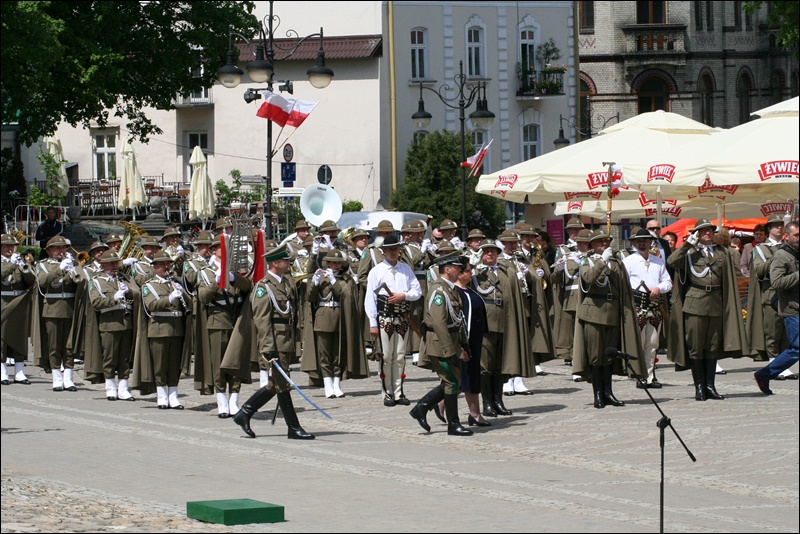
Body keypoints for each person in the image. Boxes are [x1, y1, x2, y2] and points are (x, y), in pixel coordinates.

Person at [232, 244, 315, 440]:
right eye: (286, 261)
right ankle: (293, 427)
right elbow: (262, 320)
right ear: (275, 263)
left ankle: (245, 413)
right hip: (274, 342)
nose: (289, 264)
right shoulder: (263, 287)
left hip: (285, 339)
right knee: (282, 384)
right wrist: (268, 348)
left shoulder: (285, 282)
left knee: (275, 384)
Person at [667, 219, 748, 401]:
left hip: (716, 303)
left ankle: (710, 386)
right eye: (703, 231)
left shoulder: (721, 252)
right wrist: (688, 244)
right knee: (696, 347)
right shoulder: (690, 252)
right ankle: (699, 388)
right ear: (696, 233)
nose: (707, 233)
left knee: (712, 347)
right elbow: (672, 262)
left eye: (710, 230)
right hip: (695, 303)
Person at [574, 230, 644, 409]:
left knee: (609, 357)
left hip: (612, 312)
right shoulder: (586, 261)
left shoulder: (616, 262)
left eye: (606, 242)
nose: (604, 245)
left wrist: (611, 263)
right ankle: (598, 394)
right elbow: (588, 278)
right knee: (596, 357)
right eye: (600, 242)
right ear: (591, 245)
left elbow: (622, 285)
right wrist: (602, 261)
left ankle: (608, 392)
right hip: (594, 313)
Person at [409, 252, 472, 436]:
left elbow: (457, 320)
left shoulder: (450, 289)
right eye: (457, 267)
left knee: (452, 380)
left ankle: (421, 407)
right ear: (447, 269)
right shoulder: (439, 291)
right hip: (439, 344)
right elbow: (439, 323)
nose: (460, 270)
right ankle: (453, 423)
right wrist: (448, 350)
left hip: (451, 341)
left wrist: (464, 343)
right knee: (452, 381)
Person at [195, 235, 252, 417]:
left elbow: (249, 287)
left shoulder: (237, 270)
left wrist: (233, 278)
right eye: (222, 247)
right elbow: (203, 298)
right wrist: (216, 282)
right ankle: (221, 401)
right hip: (217, 321)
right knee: (219, 363)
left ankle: (234, 399)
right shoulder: (205, 272)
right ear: (214, 251)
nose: (226, 250)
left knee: (235, 362)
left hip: (236, 320)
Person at [472, 238, 529, 417]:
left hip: (504, 320)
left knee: (499, 365)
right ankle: (487, 403)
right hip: (485, 323)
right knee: (485, 365)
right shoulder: (475, 273)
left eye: (493, 251)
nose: (490, 254)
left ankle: (498, 401)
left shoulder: (506, 272)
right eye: (486, 251)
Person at [301, 248, 368, 398]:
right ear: (327, 263)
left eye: (339, 263)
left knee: (338, 353)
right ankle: (327, 384)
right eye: (333, 263)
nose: (337, 266)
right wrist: (315, 283)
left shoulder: (346, 279)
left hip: (340, 318)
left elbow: (346, 297)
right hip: (323, 318)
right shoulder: (321, 277)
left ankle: (337, 384)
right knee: (324, 354)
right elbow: (310, 298)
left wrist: (333, 281)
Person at [364, 234, 422, 407]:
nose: (393, 252)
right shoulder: (376, 271)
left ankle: (398, 391)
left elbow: (417, 291)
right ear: (383, 251)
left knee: (400, 356)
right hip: (384, 318)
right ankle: (386, 392)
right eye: (389, 249)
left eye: (396, 249)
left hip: (402, 318)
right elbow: (370, 299)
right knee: (386, 355)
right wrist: (372, 323)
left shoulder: (406, 269)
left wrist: (403, 295)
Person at [139, 251, 191, 409]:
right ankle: (162, 396)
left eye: (168, 264)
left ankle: (173, 395)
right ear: (155, 267)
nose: (166, 267)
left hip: (176, 328)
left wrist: (182, 292)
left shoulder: (174, 282)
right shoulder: (148, 286)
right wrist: (169, 298)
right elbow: (151, 306)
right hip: (159, 329)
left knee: (174, 365)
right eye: (162, 264)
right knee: (161, 364)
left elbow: (189, 305)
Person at [33, 236, 84, 391]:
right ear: (49, 250)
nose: (61, 251)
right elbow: (42, 281)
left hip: (69, 308)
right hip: (52, 309)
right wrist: (60, 268)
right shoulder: (42, 265)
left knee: (69, 346)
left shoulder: (72, 263)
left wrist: (74, 268)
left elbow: (81, 281)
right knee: (54, 345)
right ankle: (56, 378)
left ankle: (68, 378)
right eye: (57, 248)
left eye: (63, 248)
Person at [622, 228, 672, 388]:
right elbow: (623, 283)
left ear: (651, 242)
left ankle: (650, 376)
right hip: (637, 305)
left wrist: (658, 289)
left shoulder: (657, 261)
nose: (642, 243)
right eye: (639, 241)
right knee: (639, 342)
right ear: (634, 243)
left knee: (652, 343)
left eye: (645, 240)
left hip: (654, 306)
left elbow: (668, 282)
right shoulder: (628, 262)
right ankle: (640, 376)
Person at [747, 216, 795, 379]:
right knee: (772, 331)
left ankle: (783, 365)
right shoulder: (761, 248)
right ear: (769, 229)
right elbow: (759, 269)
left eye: (781, 226)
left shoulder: (789, 247)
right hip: (770, 292)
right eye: (774, 226)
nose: (778, 228)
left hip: (788, 292)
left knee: (785, 331)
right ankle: (774, 363)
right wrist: (776, 258)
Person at [754, 221, 799, 395]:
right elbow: (777, 282)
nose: (798, 238)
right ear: (786, 236)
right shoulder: (781, 256)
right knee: (796, 348)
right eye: (796, 235)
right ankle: (764, 374)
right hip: (792, 308)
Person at [87, 250, 137, 401]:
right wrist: (113, 298)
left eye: (116, 263)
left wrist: (129, 292)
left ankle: (123, 388)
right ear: (103, 265)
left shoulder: (125, 278)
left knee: (124, 358)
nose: (115, 266)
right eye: (111, 264)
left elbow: (138, 293)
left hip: (126, 322)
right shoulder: (96, 281)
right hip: (109, 323)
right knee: (110, 357)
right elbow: (95, 302)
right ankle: (110, 387)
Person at [453, 260, 490, 426]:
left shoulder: (468, 290)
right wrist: (463, 344)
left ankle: (434, 405)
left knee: (469, 376)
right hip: (466, 341)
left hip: (475, 339)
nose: (471, 273)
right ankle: (474, 414)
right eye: (468, 270)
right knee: (466, 377)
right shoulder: (457, 292)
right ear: (460, 273)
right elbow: (460, 319)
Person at [552, 228, 592, 381]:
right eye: (581, 243)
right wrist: (559, 268)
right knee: (574, 336)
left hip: (588, 298)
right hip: (571, 299)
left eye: (587, 244)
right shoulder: (568, 255)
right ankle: (577, 367)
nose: (584, 246)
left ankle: (589, 366)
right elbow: (555, 279)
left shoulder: (594, 257)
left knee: (589, 335)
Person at [1, 233, 36, 385]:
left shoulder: (18, 262)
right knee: (1, 337)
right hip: (2, 301)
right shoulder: (8, 263)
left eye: (12, 246)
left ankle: (19, 372)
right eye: (7, 246)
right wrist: (11, 265)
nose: (10, 249)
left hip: (18, 301)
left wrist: (25, 269)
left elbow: (31, 281)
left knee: (19, 337)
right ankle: (2, 371)